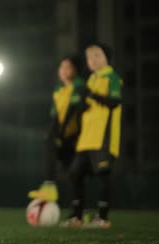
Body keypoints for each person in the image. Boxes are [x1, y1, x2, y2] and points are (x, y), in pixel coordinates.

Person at [61, 43, 122, 228]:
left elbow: (114, 101)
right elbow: (89, 104)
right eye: (89, 57)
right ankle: (76, 217)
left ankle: (103, 218)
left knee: (103, 175)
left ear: (106, 57)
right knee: (74, 174)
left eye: (97, 55)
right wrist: (82, 105)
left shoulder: (112, 77)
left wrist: (91, 95)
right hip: (86, 139)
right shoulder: (90, 80)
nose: (93, 60)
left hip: (103, 137)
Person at [28, 56, 85, 202]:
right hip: (64, 135)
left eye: (68, 67)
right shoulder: (58, 89)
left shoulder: (79, 85)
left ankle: (51, 188)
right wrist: (53, 134)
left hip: (79, 136)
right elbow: (56, 116)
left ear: (76, 70)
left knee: (78, 173)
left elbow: (73, 110)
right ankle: (53, 190)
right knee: (70, 172)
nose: (63, 70)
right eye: (61, 67)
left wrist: (59, 134)